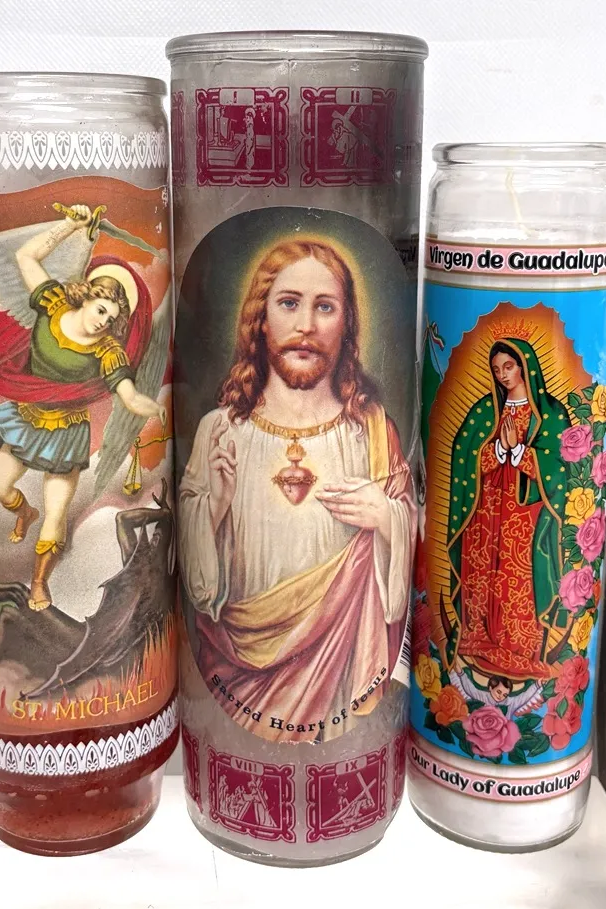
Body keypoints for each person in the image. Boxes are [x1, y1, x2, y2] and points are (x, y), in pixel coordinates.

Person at [179, 238, 417, 743]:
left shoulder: (373, 432)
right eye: (289, 303)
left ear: (346, 325)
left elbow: (399, 592)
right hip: (239, 669)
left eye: (324, 307)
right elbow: (200, 594)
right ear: (261, 319)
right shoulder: (220, 432)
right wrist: (213, 508)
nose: (306, 325)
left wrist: (387, 517)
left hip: (345, 675)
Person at [0, 205, 164, 611]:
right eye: (100, 310)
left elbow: (127, 393)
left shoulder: (109, 351)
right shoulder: (53, 304)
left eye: (111, 318)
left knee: (55, 516)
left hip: (66, 434)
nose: (103, 322)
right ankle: (23, 513)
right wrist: (69, 226)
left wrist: (152, 407)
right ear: (86, 296)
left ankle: (40, 584)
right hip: (26, 418)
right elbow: (26, 256)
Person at [443, 338, 572, 682]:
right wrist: (499, 448)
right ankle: (478, 642)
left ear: (525, 366)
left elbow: (559, 467)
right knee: (483, 572)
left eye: (509, 366)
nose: (502, 375)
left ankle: (518, 652)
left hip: (524, 514)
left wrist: (520, 452)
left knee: (519, 579)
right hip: (485, 511)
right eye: (497, 369)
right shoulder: (486, 411)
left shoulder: (550, 413)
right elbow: (464, 455)